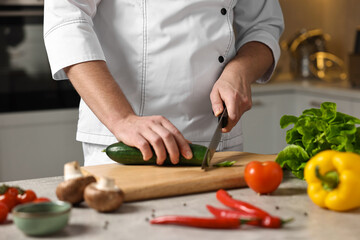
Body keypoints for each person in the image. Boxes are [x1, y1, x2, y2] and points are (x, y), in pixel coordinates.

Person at [44, 0, 284, 166]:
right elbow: (66, 20)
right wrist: (121, 119)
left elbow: (263, 26)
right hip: (127, 142)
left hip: (217, 136)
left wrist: (240, 71)